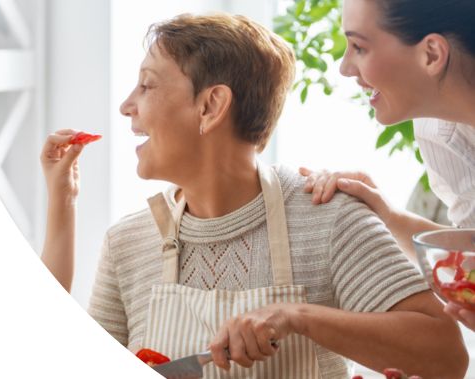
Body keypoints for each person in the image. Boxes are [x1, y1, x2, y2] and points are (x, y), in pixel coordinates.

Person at [40, 13, 467, 378]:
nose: (127, 106)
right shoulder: (128, 243)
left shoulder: (327, 216)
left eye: (147, 86)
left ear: (210, 106)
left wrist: (298, 318)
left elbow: (446, 357)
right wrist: (63, 204)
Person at [300, 0, 475, 332]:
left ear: (432, 55)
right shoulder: (438, 130)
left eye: (359, 47)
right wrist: (387, 215)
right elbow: (469, 253)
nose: (344, 68)